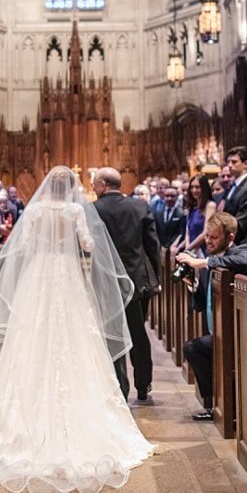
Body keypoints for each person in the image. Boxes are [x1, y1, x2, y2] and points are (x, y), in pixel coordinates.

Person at [0, 167, 155, 493]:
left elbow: (26, 246)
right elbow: (88, 244)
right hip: (67, 276)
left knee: (32, 338)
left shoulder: (33, 211)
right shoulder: (77, 210)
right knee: (76, 339)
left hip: (39, 276)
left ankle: (19, 420)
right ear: (72, 187)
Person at [89, 166, 163, 404]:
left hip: (106, 281)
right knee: (138, 334)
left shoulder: (93, 210)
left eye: (94, 184)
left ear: (102, 185)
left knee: (112, 334)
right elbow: (153, 246)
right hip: (137, 282)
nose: (92, 188)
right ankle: (143, 384)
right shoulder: (140, 206)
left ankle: (120, 386)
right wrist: (156, 280)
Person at [178, 212, 247, 422]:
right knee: (196, 348)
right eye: (207, 236)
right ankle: (215, 403)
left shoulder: (242, 250)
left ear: (229, 237)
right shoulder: (208, 262)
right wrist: (193, 286)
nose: (208, 241)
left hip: (239, 331)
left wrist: (203, 263)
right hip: (217, 331)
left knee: (193, 347)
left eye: (214, 237)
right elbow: (202, 305)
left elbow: (246, 261)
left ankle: (218, 404)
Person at [222, 146, 247, 248]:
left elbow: (242, 221)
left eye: (234, 162)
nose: (230, 165)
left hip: (242, 244)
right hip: (231, 242)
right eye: (228, 162)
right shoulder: (232, 187)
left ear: (245, 164)